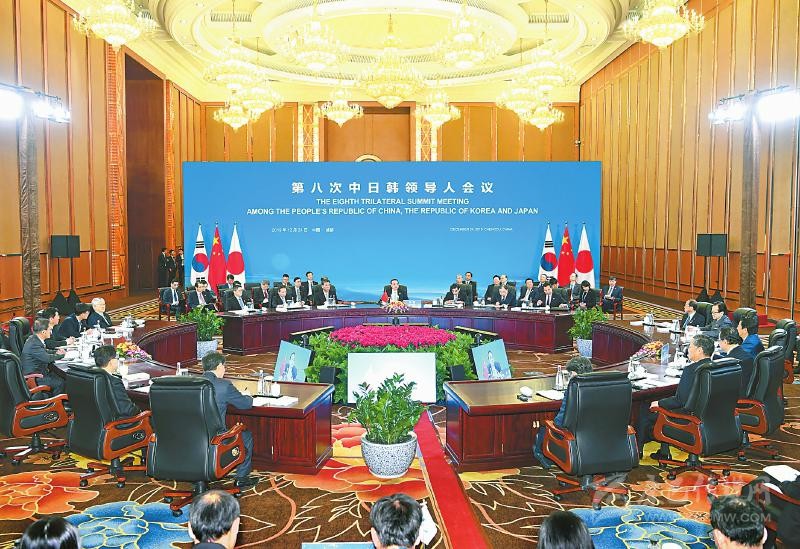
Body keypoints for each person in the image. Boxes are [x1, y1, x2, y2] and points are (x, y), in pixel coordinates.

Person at [638, 334, 715, 459]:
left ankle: (638, 452)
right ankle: (663, 452)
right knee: (664, 408)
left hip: (688, 420)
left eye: (690, 346)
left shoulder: (691, 370)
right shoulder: (715, 367)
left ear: (699, 350)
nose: (688, 349)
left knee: (646, 408)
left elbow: (680, 401)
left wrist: (659, 403)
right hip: (708, 418)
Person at [201, 352, 257, 489]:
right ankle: (242, 477)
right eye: (224, 367)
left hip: (193, 436)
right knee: (246, 435)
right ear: (219, 366)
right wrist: (248, 396)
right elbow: (245, 404)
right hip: (217, 438)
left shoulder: (192, 383)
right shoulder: (224, 386)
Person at [533, 356, 593, 468]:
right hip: (595, 439)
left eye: (570, 374)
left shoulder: (573, 389)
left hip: (571, 441)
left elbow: (560, 421)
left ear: (574, 374)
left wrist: (551, 425)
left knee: (545, 426)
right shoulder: (601, 386)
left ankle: (541, 454)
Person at [741, 473, 800, 547]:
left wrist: (785, 484)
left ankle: (747, 531)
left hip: (793, 515)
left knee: (754, 486)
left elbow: (793, 490)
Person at [21, 318, 66, 396]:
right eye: (50, 330)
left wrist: (55, 352)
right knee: (60, 383)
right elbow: (47, 358)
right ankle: (54, 402)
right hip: (35, 377)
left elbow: (44, 352)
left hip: (40, 372)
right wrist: (61, 355)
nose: (51, 332)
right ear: (43, 332)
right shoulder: (34, 344)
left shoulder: (34, 339)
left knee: (61, 377)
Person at [93, 344, 140, 418]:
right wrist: (140, 410)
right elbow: (127, 410)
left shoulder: (90, 376)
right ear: (111, 361)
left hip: (94, 419)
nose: (117, 360)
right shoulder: (114, 382)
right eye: (116, 358)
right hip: (116, 423)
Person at [717, 327, 754, 397]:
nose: (718, 343)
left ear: (725, 341)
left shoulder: (729, 361)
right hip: (748, 392)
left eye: (719, 340)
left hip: (736, 397)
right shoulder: (746, 354)